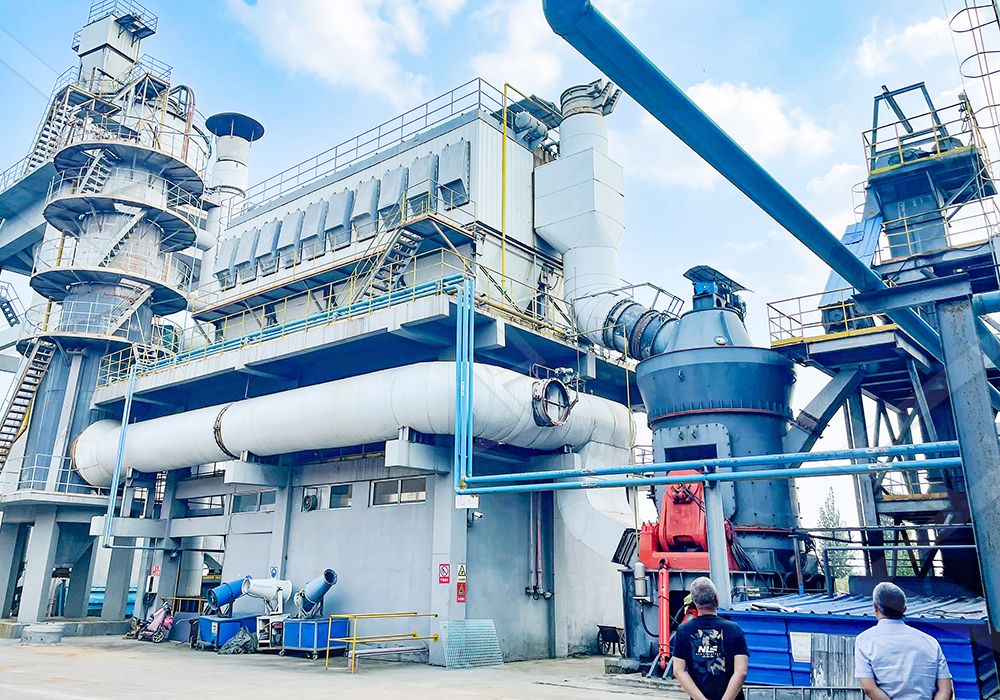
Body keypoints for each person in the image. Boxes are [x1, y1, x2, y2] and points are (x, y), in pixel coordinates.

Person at [854, 582, 953, 700]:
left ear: (875, 607)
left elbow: (869, 688)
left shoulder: (865, 640)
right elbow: (945, 690)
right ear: (904, 609)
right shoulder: (930, 641)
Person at [672, 577, 749, 700]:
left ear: (694, 602)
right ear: (716, 599)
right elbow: (741, 672)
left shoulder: (683, 630)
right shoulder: (734, 629)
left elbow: (678, 671)